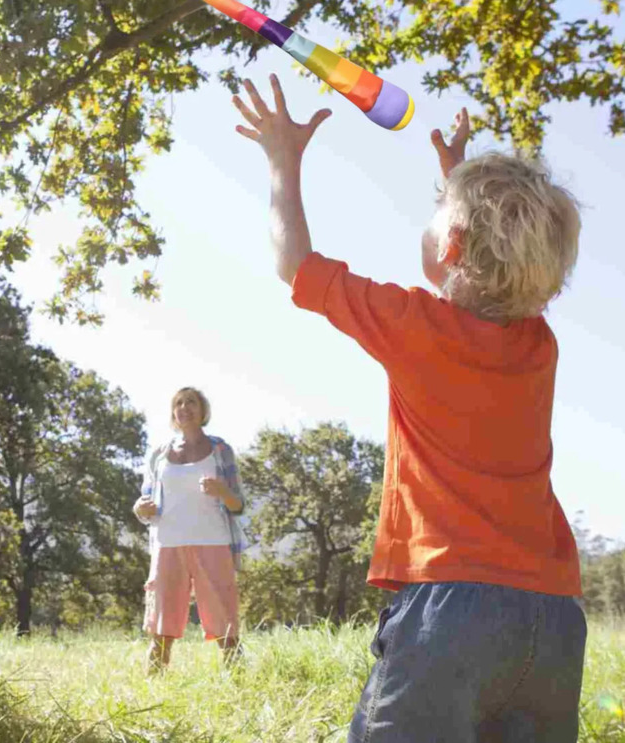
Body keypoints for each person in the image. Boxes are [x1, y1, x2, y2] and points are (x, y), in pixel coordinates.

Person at [232, 75, 585, 742]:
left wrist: (284, 160)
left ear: (449, 245)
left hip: (449, 608)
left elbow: (294, 262)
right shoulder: (540, 345)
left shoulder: (414, 323)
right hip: (555, 617)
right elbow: (502, 273)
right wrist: (461, 180)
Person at [133, 387, 246, 672]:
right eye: (179, 403)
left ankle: (239, 683)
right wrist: (139, 509)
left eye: (191, 402)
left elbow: (238, 505)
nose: (185, 407)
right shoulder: (159, 454)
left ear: (202, 410)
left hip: (214, 541)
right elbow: (144, 502)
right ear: (173, 412)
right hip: (167, 543)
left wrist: (222, 491)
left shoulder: (220, 450)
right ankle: (153, 685)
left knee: (225, 620)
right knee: (160, 623)